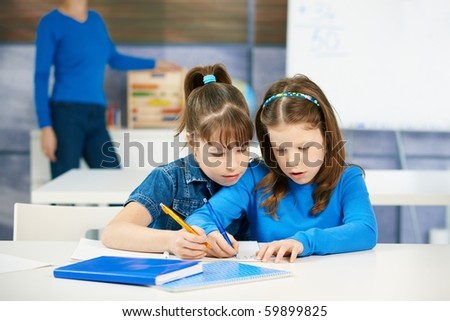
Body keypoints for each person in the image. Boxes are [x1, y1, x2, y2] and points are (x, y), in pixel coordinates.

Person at [186, 74, 378, 262]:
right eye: (281, 149)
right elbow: (200, 218)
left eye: (304, 148)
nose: (292, 162)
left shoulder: (347, 178)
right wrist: (210, 233)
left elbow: (365, 230)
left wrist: (303, 242)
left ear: (327, 139)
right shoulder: (254, 176)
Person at [101, 63, 255, 260]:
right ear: (193, 143)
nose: (233, 164)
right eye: (217, 153)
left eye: (242, 149)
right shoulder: (169, 179)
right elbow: (113, 232)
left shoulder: (253, 177)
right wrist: (171, 241)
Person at [34, 0, 178, 178]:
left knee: (113, 178)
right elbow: (41, 77)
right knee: (63, 187)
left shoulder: (96, 20)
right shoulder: (50, 23)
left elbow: (115, 59)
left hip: (96, 115)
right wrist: (45, 127)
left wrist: (155, 64)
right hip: (66, 115)